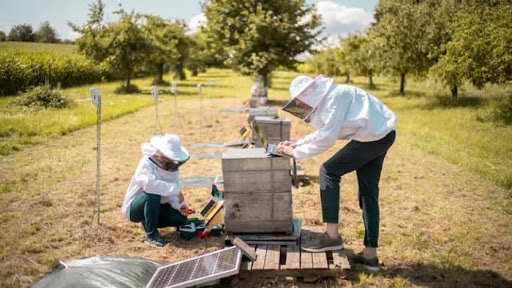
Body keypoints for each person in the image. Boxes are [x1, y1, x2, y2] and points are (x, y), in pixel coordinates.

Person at [277, 75, 397, 271]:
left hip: (373, 136)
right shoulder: (332, 98)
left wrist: (296, 153)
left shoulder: (335, 97)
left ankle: (332, 237)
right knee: (368, 192)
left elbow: (327, 137)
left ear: (310, 94)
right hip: (379, 134)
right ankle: (370, 255)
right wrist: (299, 143)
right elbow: (326, 130)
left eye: (299, 100)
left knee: (328, 170)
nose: (299, 104)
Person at [121, 134, 192, 247]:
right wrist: (175, 190)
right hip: (135, 208)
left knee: (182, 219)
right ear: (162, 155)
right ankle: (151, 235)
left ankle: (148, 222)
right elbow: (151, 186)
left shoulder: (172, 168)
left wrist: (181, 206)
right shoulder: (146, 164)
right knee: (154, 194)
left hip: (157, 205)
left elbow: (170, 194)